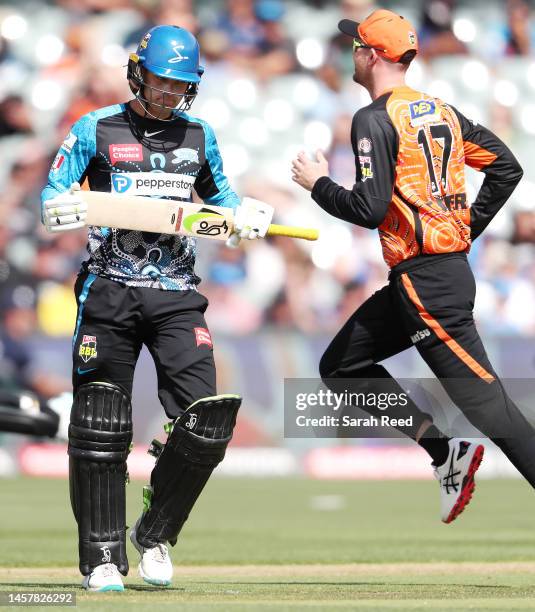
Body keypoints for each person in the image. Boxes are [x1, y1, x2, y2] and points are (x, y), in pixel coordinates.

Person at [41, 25, 273, 592]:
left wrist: (246, 218)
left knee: (208, 421)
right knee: (100, 422)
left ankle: (157, 532)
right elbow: (54, 194)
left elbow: (223, 203)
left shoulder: (199, 135)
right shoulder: (96, 127)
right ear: (137, 73)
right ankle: (101, 556)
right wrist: (64, 209)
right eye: (161, 82)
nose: (169, 94)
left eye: (180, 85)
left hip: (176, 295)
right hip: (108, 290)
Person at [292, 9, 535, 525]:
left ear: (373, 55)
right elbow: (506, 166)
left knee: (488, 406)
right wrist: (462, 226)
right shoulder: (439, 110)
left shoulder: (373, 118)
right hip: (424, 277)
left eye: (356, 46)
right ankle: (442, 451)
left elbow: (369, 208)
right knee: (341, 367)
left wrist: (317, 184)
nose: (351, 54)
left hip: (429, 281)